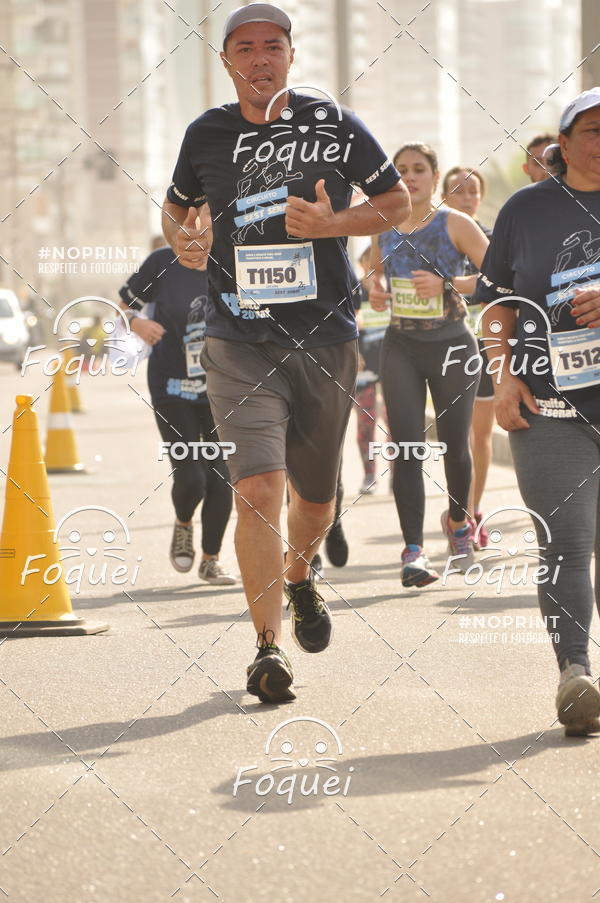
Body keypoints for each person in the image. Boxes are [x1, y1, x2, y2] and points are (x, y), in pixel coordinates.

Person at [161, 3, 410, 703]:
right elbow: (176, 208)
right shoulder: (206, 134)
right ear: (227, 61)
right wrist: (184, 239)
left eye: (273, 45)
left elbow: (396, 203)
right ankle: (268, 650)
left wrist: (334, 223)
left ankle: (300, 574)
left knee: (316, 501)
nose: (260, 58)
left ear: (292, 56)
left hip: (325, 336)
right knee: (257, 490)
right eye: (245, 48)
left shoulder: (335, 125)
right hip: (237, 336)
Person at [476, 86, 600, 736]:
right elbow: (496, 303)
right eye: (594, 131)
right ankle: (575, 674)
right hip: (549, 407)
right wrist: (501, 374)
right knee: (567, 544)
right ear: (565, 143)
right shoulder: (525, 209)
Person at [369, 143, 489, 588]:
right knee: (405, 448)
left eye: (418, 169)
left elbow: (498, 276)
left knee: (455, 445)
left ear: (435, 177)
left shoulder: (455, 223)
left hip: (452, 345)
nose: (409, 176)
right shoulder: (382, 224)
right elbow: (374, 273)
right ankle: (413, 551)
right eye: (401, 169)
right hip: (400, 344)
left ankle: (458, 524)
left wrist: (447, 284)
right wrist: (376, 290)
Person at [119, 239, 236, 586]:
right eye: (186, 221)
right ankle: (184, 522)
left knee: (220, 479)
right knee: (191, 478)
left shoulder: (231, 259)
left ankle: (211, 560)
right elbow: (123, 308)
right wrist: (136, 323)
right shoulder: (161, 262)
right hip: (171, 387)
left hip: (221, 388)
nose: (195, 229)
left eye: (205, 220)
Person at [442, 166, 494, 549]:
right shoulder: (433, 238)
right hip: (443, 347)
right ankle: (457, 512)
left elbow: (498, 286)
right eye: (458, 190)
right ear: (444, 196)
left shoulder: (492, 241)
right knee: (457, 439)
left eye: (473, 191)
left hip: (485, 346)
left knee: (482, 435)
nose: (467, 197)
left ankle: (473, 512)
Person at [354, 244, 389, 495]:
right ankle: (369, 475)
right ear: (363, 263)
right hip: (363, 368)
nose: (376, 267)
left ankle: (399, 476)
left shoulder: (393, 289)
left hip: (392, 365)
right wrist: (353, 353)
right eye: (371, 262)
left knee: (396, 422)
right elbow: (344, 323)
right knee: (366, 423)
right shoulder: (353, 290)